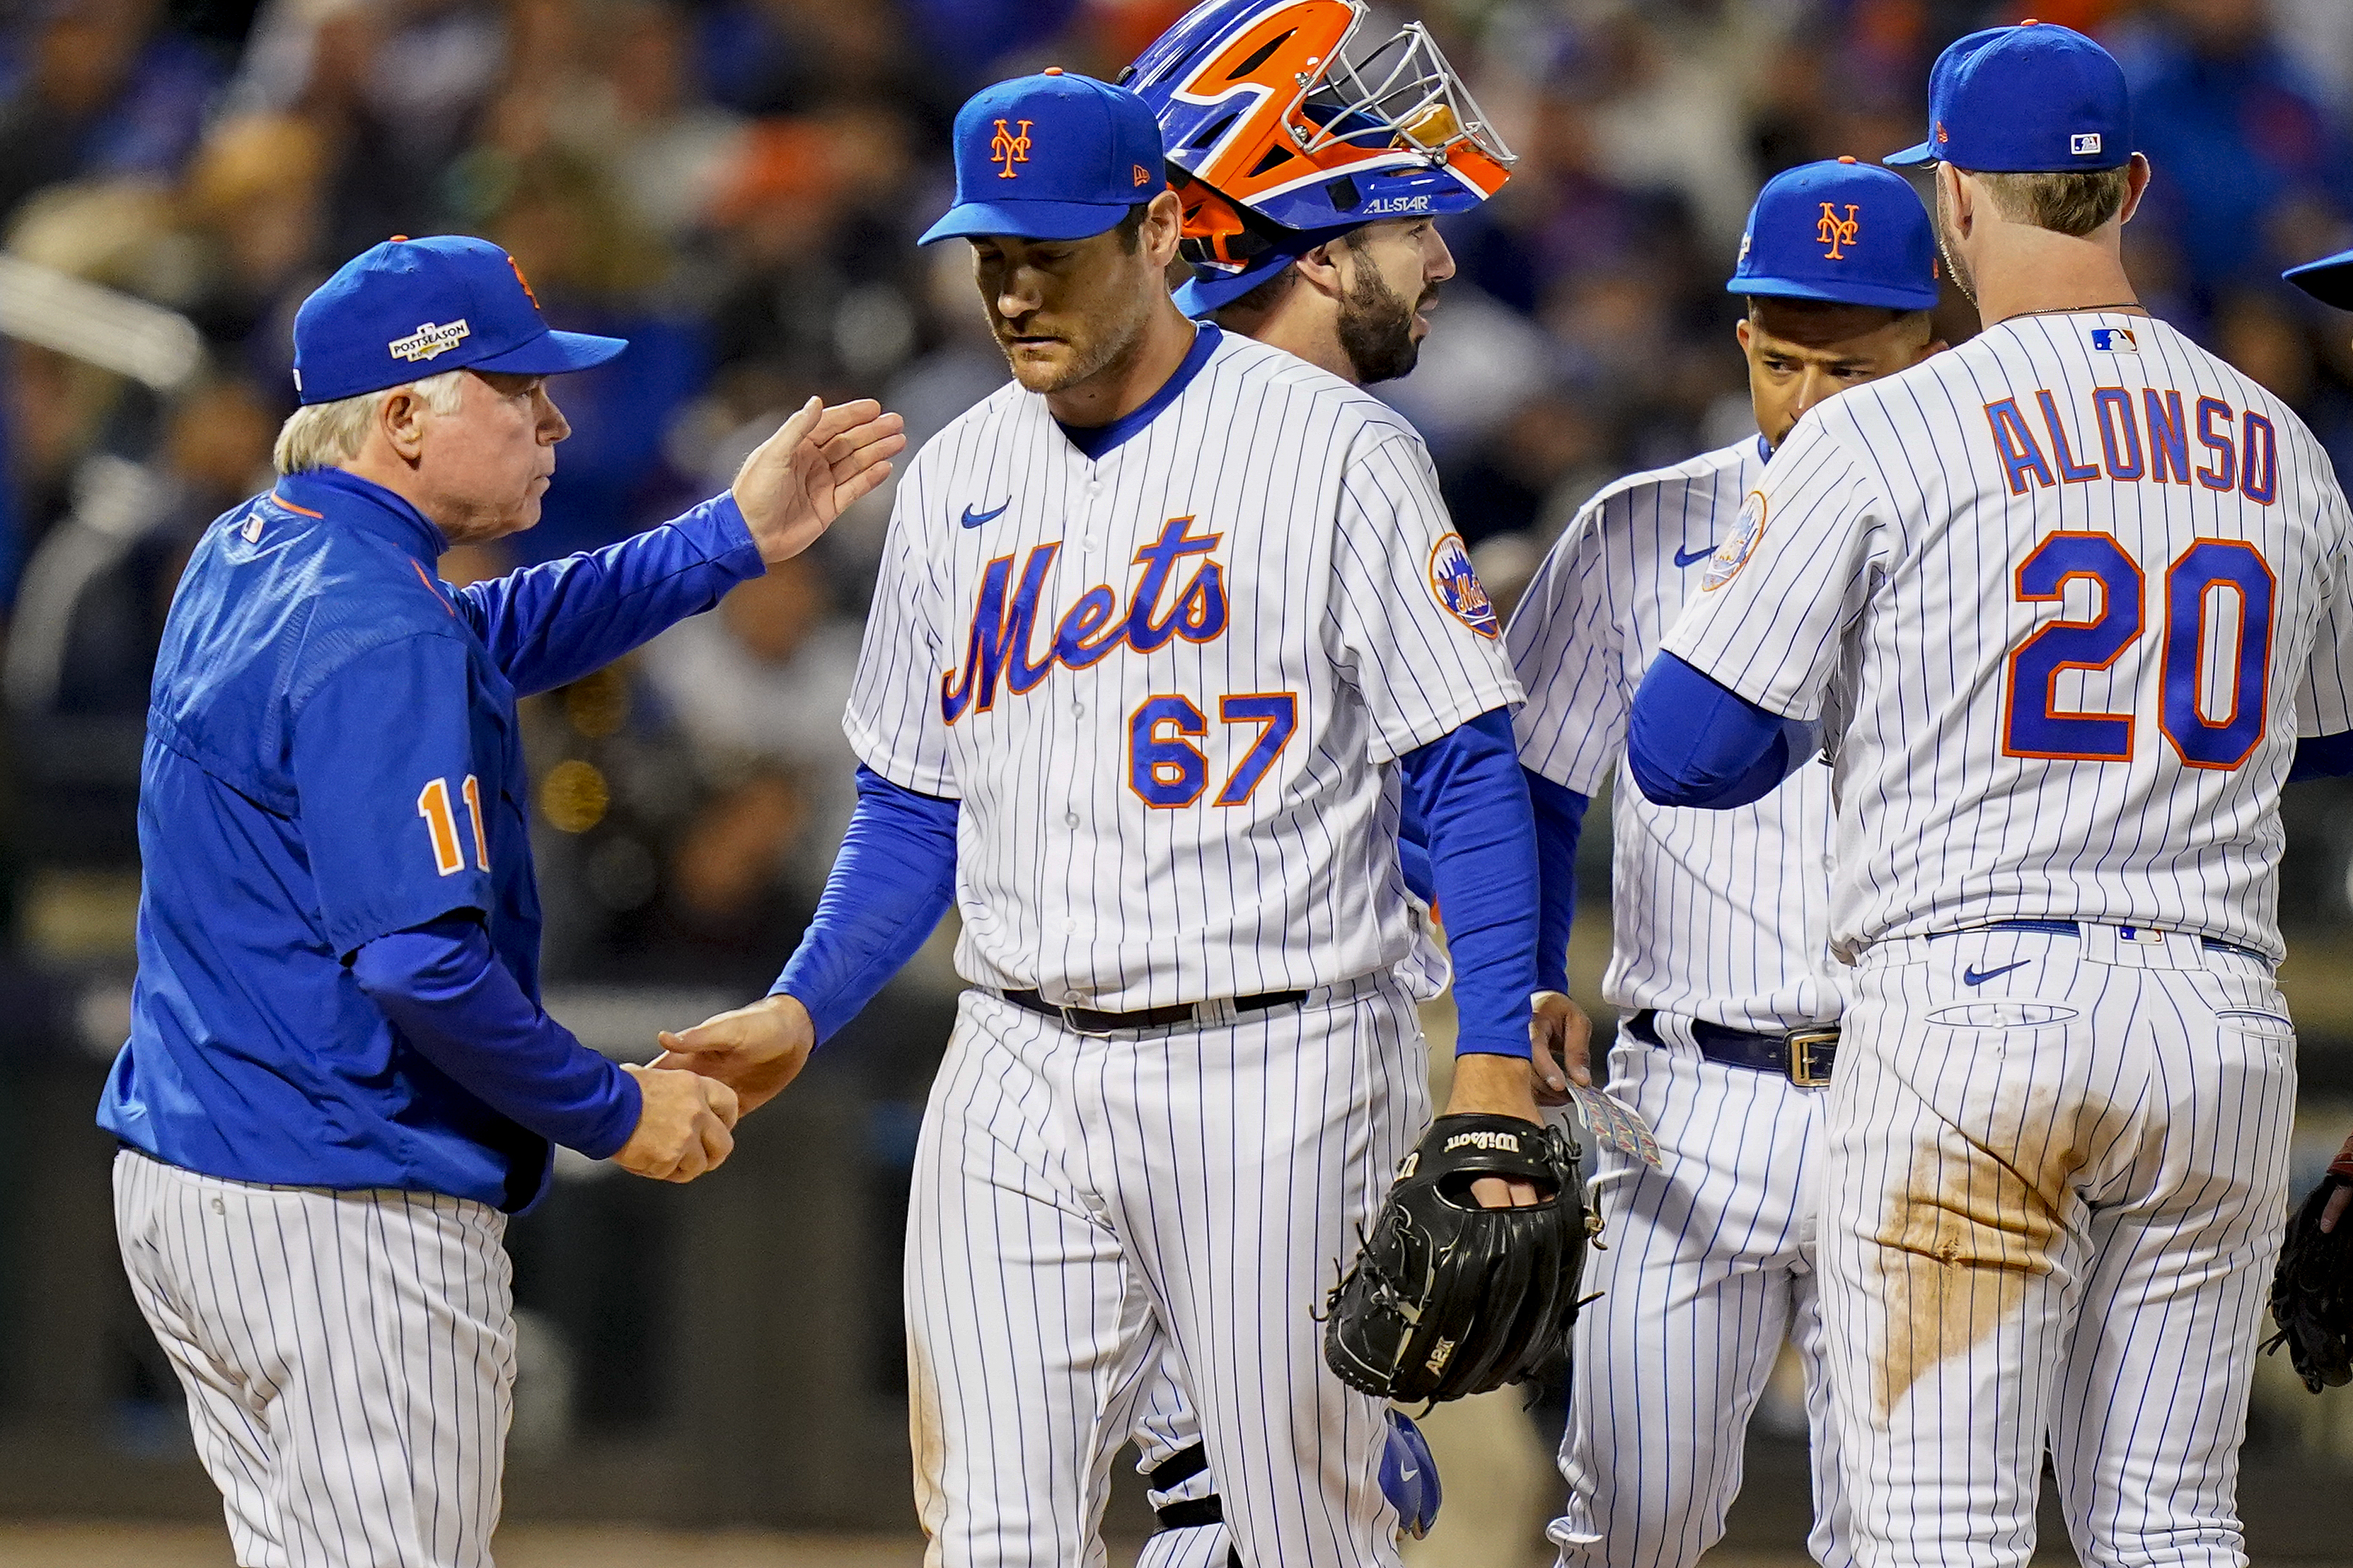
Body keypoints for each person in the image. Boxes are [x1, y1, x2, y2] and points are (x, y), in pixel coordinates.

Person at [654, 68, 1546, 1568]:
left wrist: (1494, 1056)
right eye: (991, 256)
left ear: (1158, 232)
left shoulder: (1334, 447)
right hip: (1015, 1055)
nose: (1012, 291)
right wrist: (803, 1008)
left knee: (1302, 1533)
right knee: (993, 1532)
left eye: (1050, 252)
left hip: (1277, 1056)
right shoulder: (955, 477)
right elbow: (908, 805)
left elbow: (1465, 765)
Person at [1630, 24, 2353, 1567]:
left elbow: (1682, 747)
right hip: (2217, 1016)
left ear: (1949, 195)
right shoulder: (2285, 448)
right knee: (2167, 1524)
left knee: (1933, 1533)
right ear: (2134, 186)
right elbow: (2331, 742)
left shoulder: (1882, 425)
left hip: (1971, 1012)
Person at [99, 233, 902, 1568]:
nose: (554, 419)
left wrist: (728, 538)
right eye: (514, 389)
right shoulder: (381, 625)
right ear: (404, 414)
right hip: (339, 1214)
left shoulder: (254, 544)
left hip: (199, 1181)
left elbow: (480, 639)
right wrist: (614, 1107)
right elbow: (419, 967)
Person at [1122, 5, 1522, 1558]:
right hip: (1264, 1056)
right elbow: (1461, 770)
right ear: (1303, 234)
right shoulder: (1339, 442)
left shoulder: (1084, 430)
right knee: (1316, 1505)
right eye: (1405, 220)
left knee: (1219, 1497)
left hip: (1086, 1040)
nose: (1434, 257)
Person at [1510, 157, 1943, 1568]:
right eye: (1785, 357)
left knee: (1911, 1532)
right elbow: (1529, 784)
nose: (1812, 399)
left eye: (1855, 366)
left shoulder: (1995, 538)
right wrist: (1517, 983)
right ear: (1741, 331)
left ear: (1930, 347)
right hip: (1679, 1091)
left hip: (1924, 1082)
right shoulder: (1634, 530)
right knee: (1625, 1517)